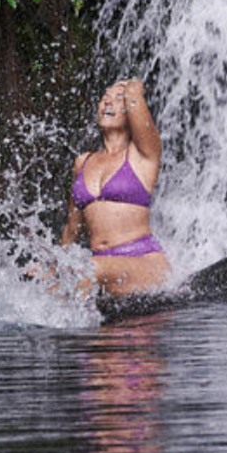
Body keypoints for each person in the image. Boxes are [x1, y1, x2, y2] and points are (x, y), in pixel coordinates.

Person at [59, 78, 171, 296]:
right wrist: (55, 267)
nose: (107, 103)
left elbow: (136, 100)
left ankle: (71, 331)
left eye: (117, 99)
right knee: (49, 283)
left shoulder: (144, 154)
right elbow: (73, 229)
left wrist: (132, 88)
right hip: (100, 264)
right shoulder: (83, 162)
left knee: (88, 269)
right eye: (104, 99)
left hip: (143, 261)